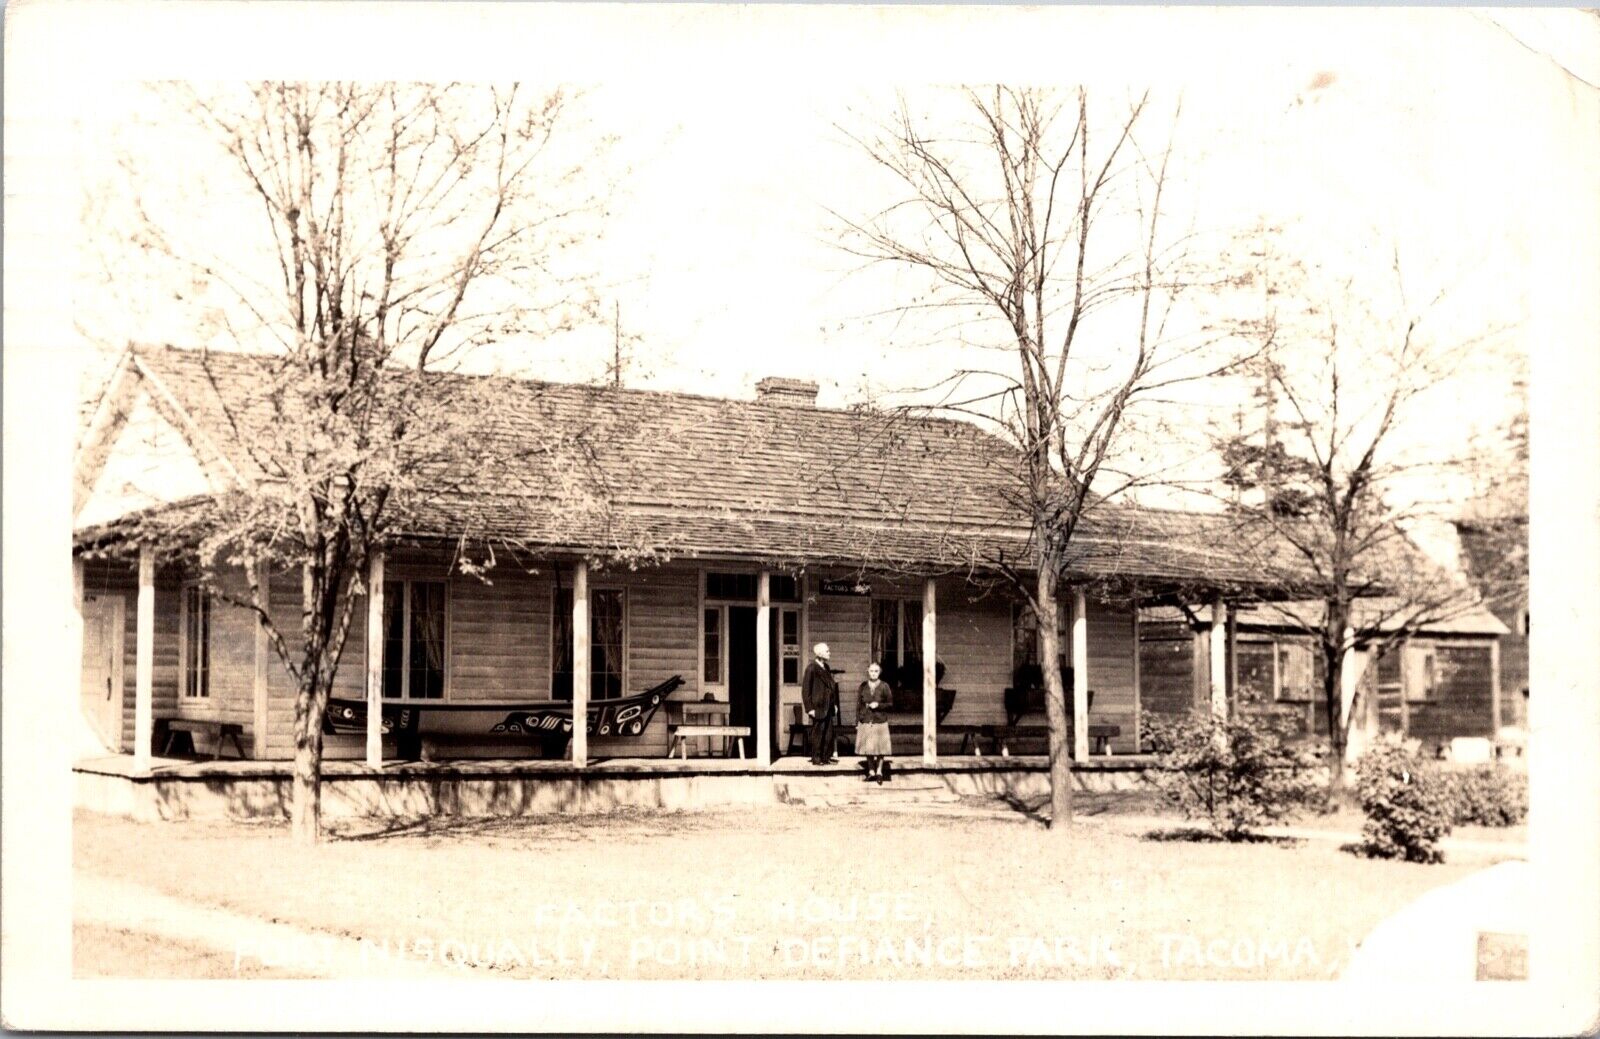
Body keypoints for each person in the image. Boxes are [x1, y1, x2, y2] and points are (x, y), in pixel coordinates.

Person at [800, 642, 840, 766]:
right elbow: (805, 690)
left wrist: (834, 704)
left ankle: (825, 757)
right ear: (820, 653)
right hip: (817, 707)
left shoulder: (826, 667)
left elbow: (830, 688)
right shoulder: (811, 668)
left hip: (828, 706)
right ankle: (816, 758)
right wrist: (809, 708)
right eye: (827, 651)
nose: (829, 653)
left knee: (828, 733)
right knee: (818, 733)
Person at [855, 661, 893, 783]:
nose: (873, 673)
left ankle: (879, 772)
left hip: (879, 720)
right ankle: (871, 771)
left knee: (881, 747)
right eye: (871, 671)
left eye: (876, 671)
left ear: (879, 672)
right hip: (866, 720)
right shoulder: (863, 686)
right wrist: (857, 721)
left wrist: (879, 705)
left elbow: (890, 704)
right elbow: (859, 705)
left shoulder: (884, 686)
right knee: (868, 747)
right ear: (868, 671)